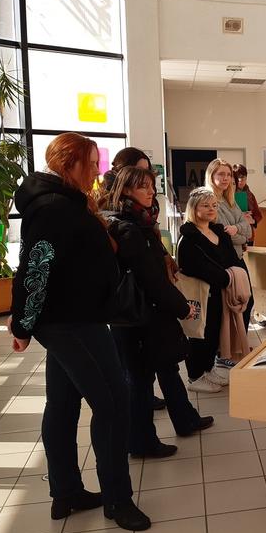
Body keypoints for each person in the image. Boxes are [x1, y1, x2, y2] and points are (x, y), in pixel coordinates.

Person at [8, 132, 150, 531]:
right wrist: (22, 323)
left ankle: (66, 492)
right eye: (89, 163)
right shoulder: (54, 207)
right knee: (113, 404)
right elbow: (35, 269)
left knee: (64, 404)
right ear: (67, 165)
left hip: (75, 317)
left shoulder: (65, 201)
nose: (96, 170)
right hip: (71, 322)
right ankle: (118, 501)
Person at [103, 167, 214, 459]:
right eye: (143, 187)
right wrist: (182, 307)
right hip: (138, 317)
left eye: (152, 186)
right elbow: (150, 279)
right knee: (139, 380)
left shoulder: (136, 222)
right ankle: (141, 441)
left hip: (142, 315)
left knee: (164, 368)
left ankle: (184, 418)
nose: (151, 192)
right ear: (126, 190)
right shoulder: (128, 228)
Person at [100, 146, 174, 412]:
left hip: (146, 296)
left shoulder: (143, 212)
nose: (149, 185)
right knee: (135, 367)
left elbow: (151, 238)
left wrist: (163, 254)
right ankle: (140, 429)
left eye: (148, 173)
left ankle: (155, 413)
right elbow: (140, 264)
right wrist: (174, 302)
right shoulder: (119, 215)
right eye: (140, 175)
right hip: (132, 299)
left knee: (148, 363)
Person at [177, 188, 243, 393]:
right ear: (194, 209)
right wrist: (226, 277)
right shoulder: (188, 237)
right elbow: (192, 266)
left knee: (214, 332)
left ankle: (208, 368)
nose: (211, 209)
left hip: (220, 292)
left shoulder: (219, 232)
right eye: (205, 205)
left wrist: (229, 276)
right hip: (200, 293)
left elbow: (232, 258)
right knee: (199, 334)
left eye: (214, 205)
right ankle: (195, 376)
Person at [205, 159, 254, 337]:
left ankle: (238, 344)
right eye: (221, 174)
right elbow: (224, 234)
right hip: (225, 260)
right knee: (230, 305)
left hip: (237, 257)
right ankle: (228, 348)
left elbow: (248, 230)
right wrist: (240, 231)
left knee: (245, 301)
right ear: (211, 176)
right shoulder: (210, 200)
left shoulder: (229, 200)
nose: (226, 178)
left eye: (228, 174)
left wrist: (237, 230)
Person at [233, 163, 263, 246]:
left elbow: (258, 215)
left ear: (246, 177)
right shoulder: (228, 194)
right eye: (237, 177)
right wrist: (241, 215)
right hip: (234, 235)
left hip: (249, 235)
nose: (240, 180)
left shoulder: (250, 194)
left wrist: (253, 221)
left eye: (243, 177)